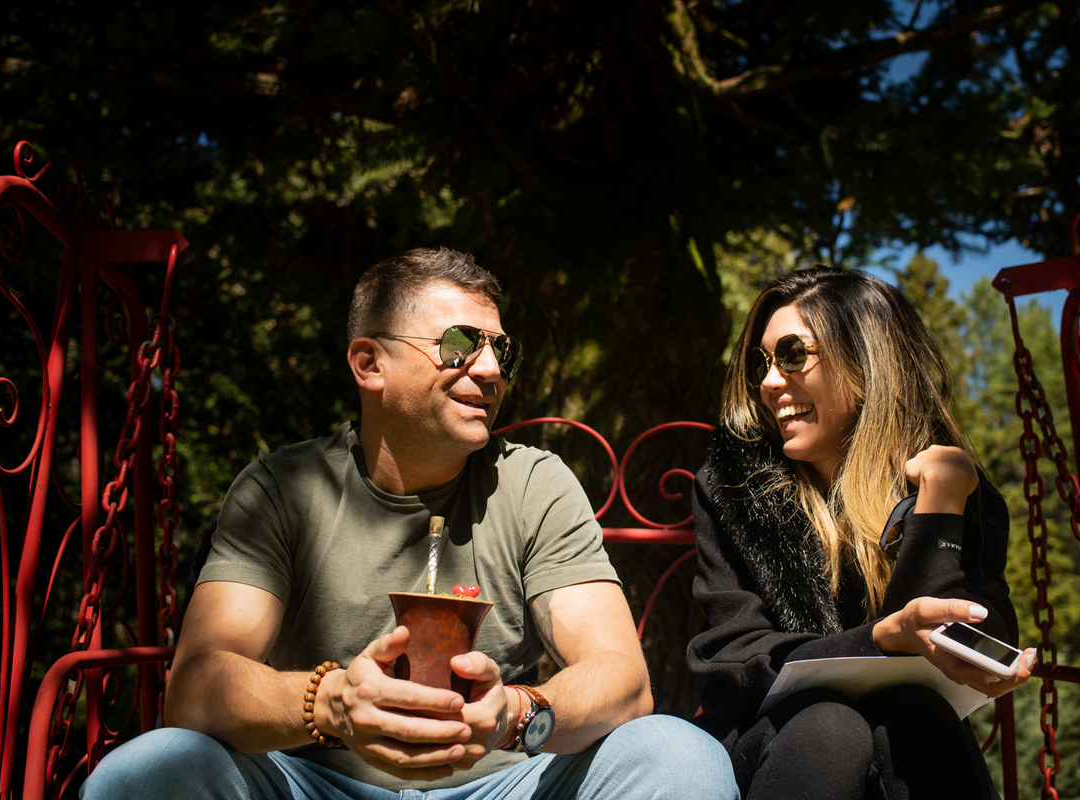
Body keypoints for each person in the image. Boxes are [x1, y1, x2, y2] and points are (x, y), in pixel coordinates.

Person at [82, 247, 736, 800]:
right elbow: (196, 687)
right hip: (312, 782)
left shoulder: (535, 482)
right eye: (459, 344)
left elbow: (622, 679)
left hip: (501, 785)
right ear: (369, 364)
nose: (488, 370)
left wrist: (514, 713)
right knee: (148, 772)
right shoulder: (283, 489)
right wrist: (330, 703)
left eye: (501, 352)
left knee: (679, 757)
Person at [686, 266, 1035, 799]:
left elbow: (966, 634)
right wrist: (876, 641)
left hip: (903, 743)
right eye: (763, 362)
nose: (769, 381)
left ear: (865, 361)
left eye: (792, 355)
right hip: (771, 744)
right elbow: (738, 656)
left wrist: (938, 506)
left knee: (916, 713)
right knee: (830, 726)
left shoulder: (952, 484)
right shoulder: (732, 490)